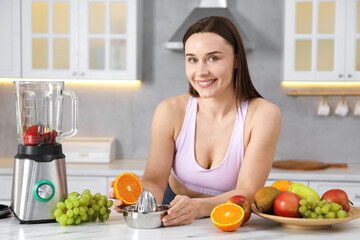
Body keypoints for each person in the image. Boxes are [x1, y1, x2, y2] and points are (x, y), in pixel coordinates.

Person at [108, 16, 281, 226]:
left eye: (213, 58)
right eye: (192, 59)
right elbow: (154, 180)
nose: (201, 71)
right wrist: (138, 198)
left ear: (236, 59)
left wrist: (198, 207)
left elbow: (249, 192)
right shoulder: (169, 111)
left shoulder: (264, 114)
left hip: (229, 218)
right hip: (171, 214)